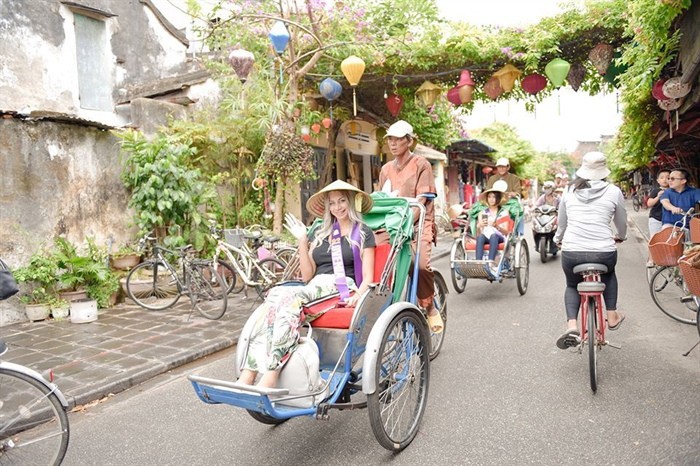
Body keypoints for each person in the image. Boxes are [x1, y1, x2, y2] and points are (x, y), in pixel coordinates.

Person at [237, 180, 376, 388]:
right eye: (332, 203)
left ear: (350, 202)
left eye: (341, 201)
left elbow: (368, 277)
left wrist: (358, 295)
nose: (337, 207)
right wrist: (302, 240)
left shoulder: (363, 233)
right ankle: (249, 374)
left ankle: (272, 375)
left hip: (342, 288)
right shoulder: (322, 234)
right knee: (275, 297)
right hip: (316, 287)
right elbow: (307, 275)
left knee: (291, 300)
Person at [552, 151, 627, 350]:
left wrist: (558, 239)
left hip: (572, 252)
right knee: (609, 275)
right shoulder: (614, 191)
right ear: (604, 171)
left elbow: (562, 223)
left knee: (572, 284)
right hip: (604, 251)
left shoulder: (569, 191)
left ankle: (572, 326)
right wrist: (621, 235)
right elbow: (621, 223)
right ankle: (611, 316)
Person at [379, 120, 443, 333]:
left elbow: (423, 199)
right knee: (376, 261)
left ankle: (430, 305)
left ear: (409, 141)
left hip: (418, 222)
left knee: (420, 264)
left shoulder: (421, 164)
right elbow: (381, 199)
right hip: (393, 225)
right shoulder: (386, 169)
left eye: (398, 139)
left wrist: (407, 222)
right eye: (390, 139)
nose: (393, 143)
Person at [472, 180, 511, 277]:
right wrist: (479, 225)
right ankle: (479, 264)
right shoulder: (482, 213)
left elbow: (506, 231)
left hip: (499, 237)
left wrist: (496, 226)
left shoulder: (503, 212)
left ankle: (490, 263)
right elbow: (477, 232)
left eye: (494, 197)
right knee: (480, 237)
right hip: (485, 236)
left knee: (494, 236)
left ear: (498, 199)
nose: (491, 199)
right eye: (489, 197)